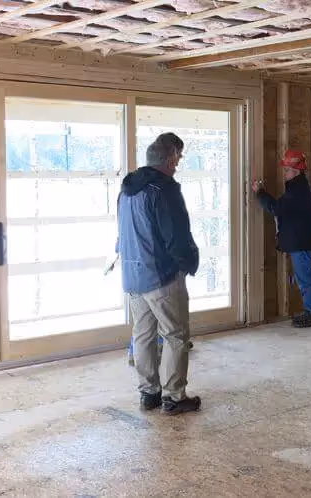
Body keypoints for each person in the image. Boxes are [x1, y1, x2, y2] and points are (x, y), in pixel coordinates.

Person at [116, 132, 201, 415]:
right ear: (168, 159)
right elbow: (175, 234)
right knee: (175, 334)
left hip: (133, 277)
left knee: (143, 334)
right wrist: (187, 262)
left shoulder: (126, 191)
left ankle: (148, 393)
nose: (177, 164)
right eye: (177, 158)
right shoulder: (164, 190)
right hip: (161, 276)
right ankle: (174, 397)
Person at [252, 150, 311, 328]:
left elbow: (276, 208)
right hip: (305, 240)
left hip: (302, 243)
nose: (285, 173)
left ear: (296, 171)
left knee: (305, 280)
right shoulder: (303, 187)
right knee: (304, 278)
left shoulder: (297, 191)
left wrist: (260, 192)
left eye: (287, 170)